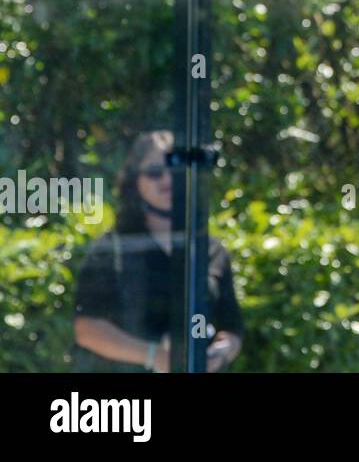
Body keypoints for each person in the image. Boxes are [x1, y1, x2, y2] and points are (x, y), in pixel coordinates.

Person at [72, 130, 244, 372]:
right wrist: (155, 356)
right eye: (155, 172)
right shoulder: (113, 249)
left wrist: (221, 352)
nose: (166, 180)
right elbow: (86, 329)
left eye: (175, 171)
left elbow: (232, 327)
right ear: (135, 181)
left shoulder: (210, 249)